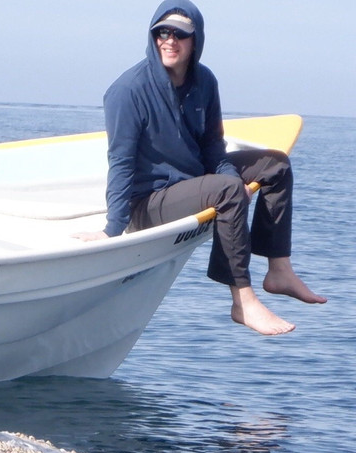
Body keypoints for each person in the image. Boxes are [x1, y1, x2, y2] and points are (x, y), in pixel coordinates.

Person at [76, 2, 326, 334]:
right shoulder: (128, 91)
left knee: (275, 165)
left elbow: (212, 146)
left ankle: (279, 270)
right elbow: (120, 162)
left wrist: (230, 178)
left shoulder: (204, 81)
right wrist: (113, 228)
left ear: (196, 40)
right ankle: (242, 301)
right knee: (227, 189)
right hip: (148, 201)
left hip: (191, 180)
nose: (169, 40)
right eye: (162, 33)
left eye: (179, 34)